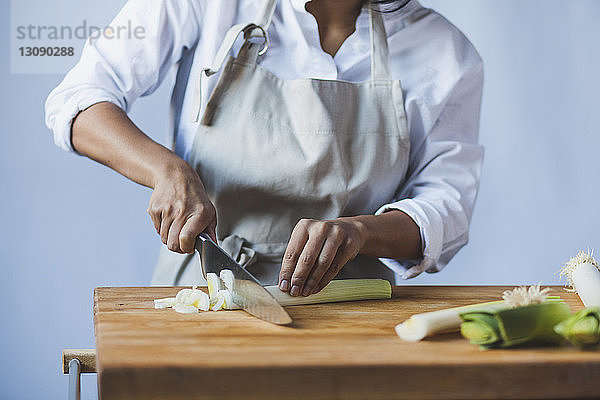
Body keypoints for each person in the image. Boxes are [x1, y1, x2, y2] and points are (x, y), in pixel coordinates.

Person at [45, 0, 483, 297]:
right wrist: (167, 170)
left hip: (353, 307)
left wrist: (360, 232)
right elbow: (80, 99)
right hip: (204, 288)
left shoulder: (443, 52)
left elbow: (446, 206)